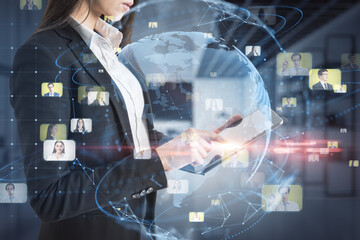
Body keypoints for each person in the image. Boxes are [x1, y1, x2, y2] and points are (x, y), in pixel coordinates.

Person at [10, 0, 227, 239]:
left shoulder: (115, 54)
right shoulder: (43, 53)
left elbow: (134, 134)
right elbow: (50, 196)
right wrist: (160, 161)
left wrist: (194, 146)